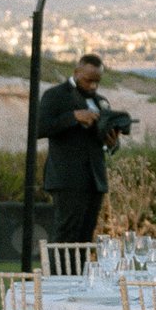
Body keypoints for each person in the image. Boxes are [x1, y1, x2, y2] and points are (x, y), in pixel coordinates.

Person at [36, 51, 123, 249]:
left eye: (97, 82)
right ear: (76, 73)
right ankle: (58, 279)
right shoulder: (55, 95)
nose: (92, 86)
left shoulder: (101, 101)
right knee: (65, 236)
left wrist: (112, 143)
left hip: (95, 180)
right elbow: (39, 129)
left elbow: (107, 142)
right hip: (67, 179)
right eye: (88, 80)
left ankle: (80, 279)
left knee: (85, 238)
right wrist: (74, 117)